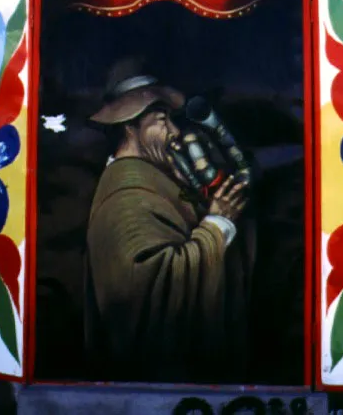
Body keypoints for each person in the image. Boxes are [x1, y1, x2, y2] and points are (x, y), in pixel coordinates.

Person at [83, 74, 255, 382]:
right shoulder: (127, 195)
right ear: (130, 127)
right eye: (162, 120)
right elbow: (148, 286)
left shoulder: (150, 176)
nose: (174, 132)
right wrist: (217, 225)